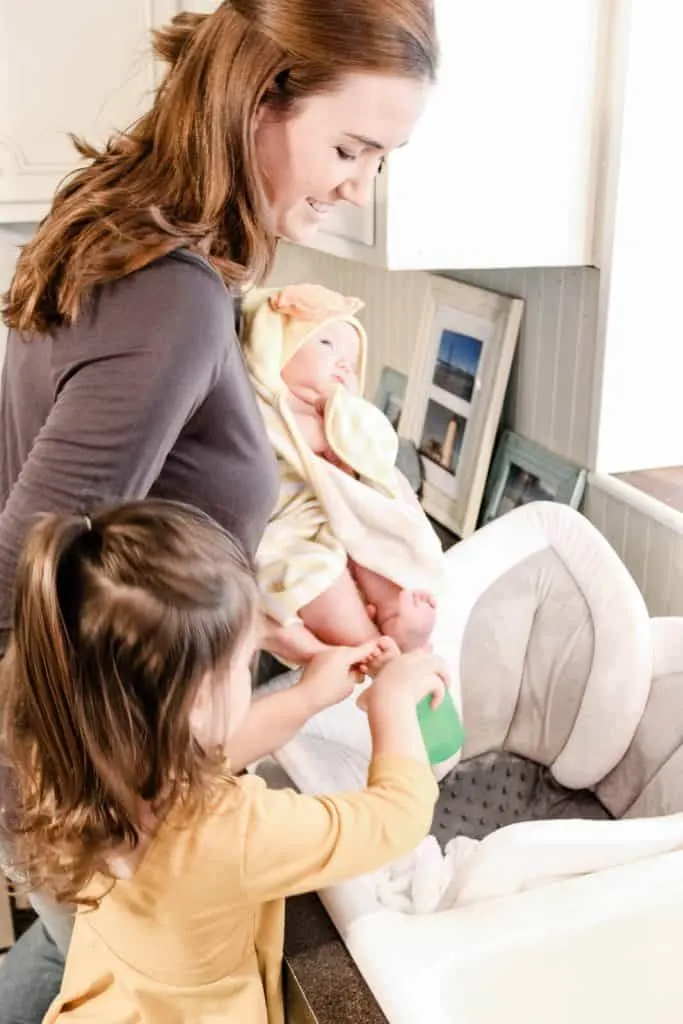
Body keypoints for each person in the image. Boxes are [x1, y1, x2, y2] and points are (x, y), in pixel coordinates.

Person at [0, 1, 438, 1018]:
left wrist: (246, 623)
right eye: (347, 146)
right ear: (256, 101)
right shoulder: (172, 295)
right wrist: (146, 778)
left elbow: (123, 521)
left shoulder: (120, 220)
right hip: (83, 764)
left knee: (87, 966)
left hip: (71, 753)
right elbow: (32, 558)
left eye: (380, 159)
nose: (354, 184)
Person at [0, 500, 444, 1023]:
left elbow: (197, 756)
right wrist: (393, 701)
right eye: (245, 661)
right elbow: (397, 817)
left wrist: (306, 697)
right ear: (193, 704)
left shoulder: (66, 748)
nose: (252, 668)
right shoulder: (232, 831)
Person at [241, 283, 446, 660]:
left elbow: (375, 447)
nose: (344, 364)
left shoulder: (339, 413)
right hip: (288, 527)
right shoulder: (262, 403)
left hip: (338, 510)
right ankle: (368, 644)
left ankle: (393, 611)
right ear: (276, 348)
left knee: (372, 546)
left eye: (352, 361)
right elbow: (286, 434)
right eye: (326, 344)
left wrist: (346, 419)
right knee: (315, 575)